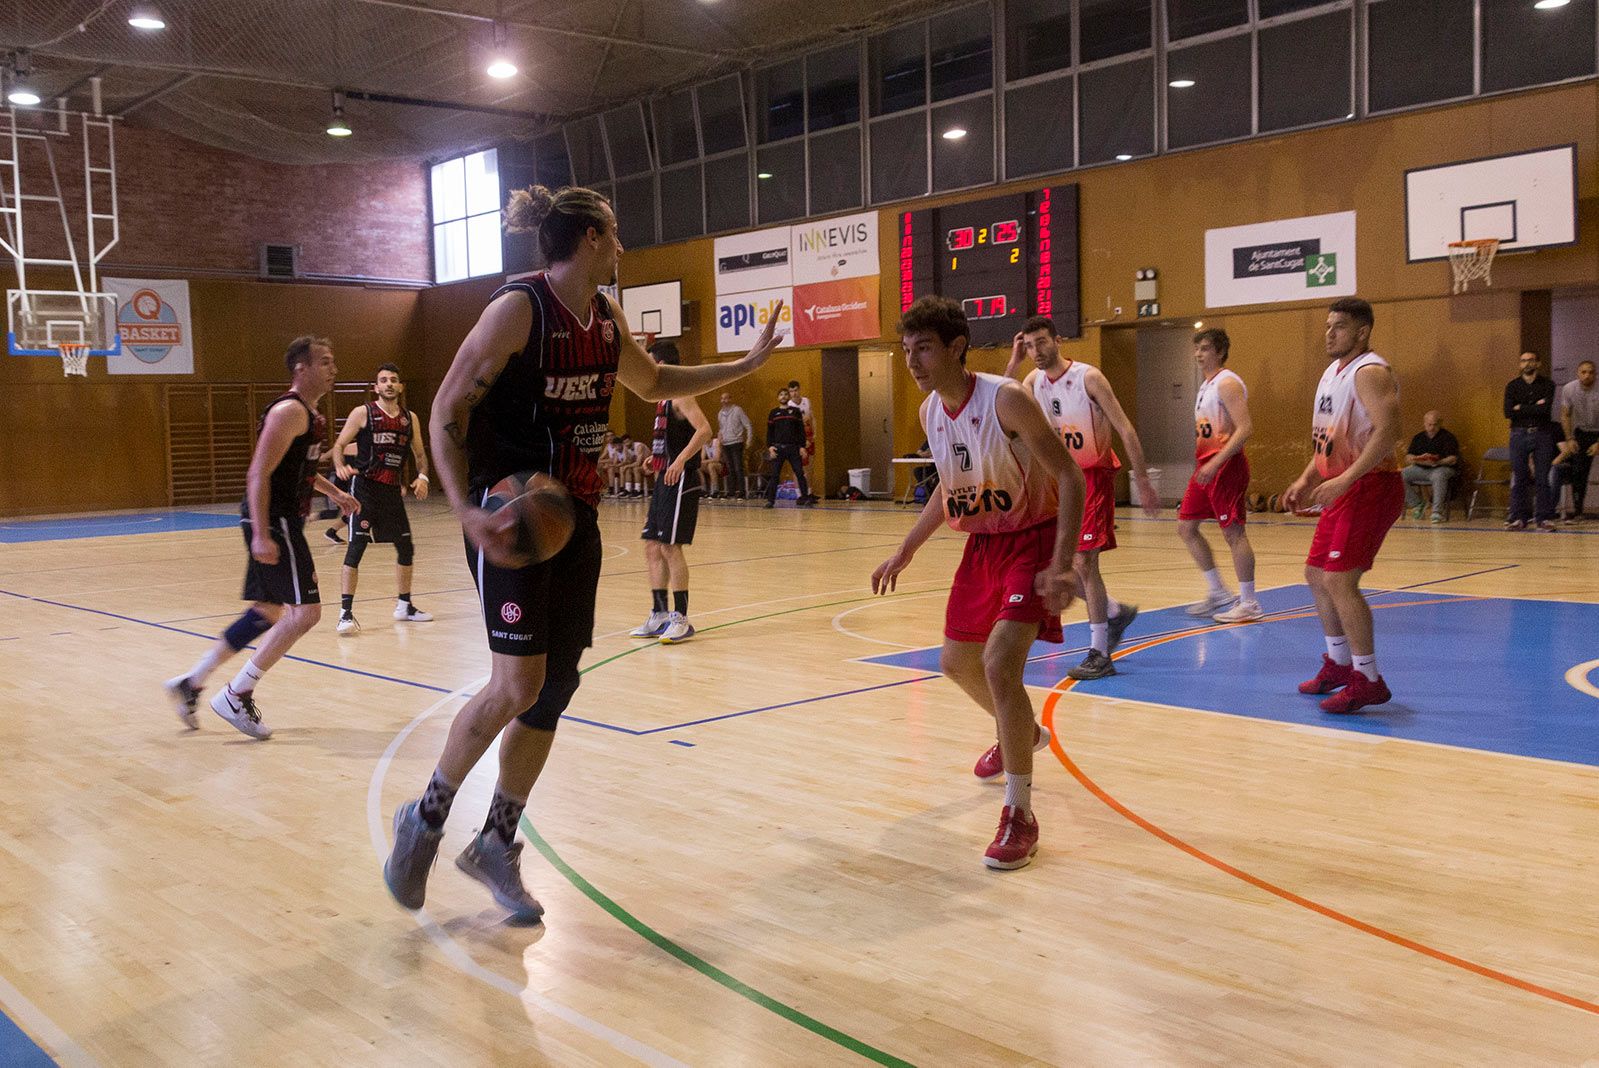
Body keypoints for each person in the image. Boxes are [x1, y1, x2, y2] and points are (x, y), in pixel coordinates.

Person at [382, 184, 786, 922]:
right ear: (591, 237)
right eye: (617, 232)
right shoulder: (516, 310)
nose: (624, 245)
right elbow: (444, 412)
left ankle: (495, 842)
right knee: (514, 685)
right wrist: (466, 510)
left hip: (577, 523)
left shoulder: (603, 318)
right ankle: (426, 818)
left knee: (554, 687)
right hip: (511, 521)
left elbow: (656, 382)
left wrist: (743, 367)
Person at [872, 296, 1083, 871]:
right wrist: (905, 549)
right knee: (955, 662)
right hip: (982, 545)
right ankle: (1020, 730)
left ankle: (1021, 813)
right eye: (906, 349)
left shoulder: (1006, 398)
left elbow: (1069, 475)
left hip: (1030, 540)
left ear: (956, 347)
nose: (912, 360)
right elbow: (948, 488)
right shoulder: (929, 413)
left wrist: (1063, 563)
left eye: (924, 348)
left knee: (998, 664)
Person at [165, 337, 359, 738]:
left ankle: (192, 682)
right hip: (274, 521)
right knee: (306, 613)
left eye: (333, 361)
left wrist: (336, 493)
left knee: (268, 611)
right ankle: (237, 693)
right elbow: (258, 473)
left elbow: (299, 472)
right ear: (301, 369)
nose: (333, 368)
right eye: (325, 362)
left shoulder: (309, 414)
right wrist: (260, 534)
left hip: (279, 520)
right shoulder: (289, 411)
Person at [1005, 316, 1157, 680]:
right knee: (1059, 567)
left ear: (1057, 340)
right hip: (1059, 480)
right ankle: (1115, 612)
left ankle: (1100, 653)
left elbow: (1125, 428)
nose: (1036, 351)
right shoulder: (1031, 381)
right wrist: (1013, 362)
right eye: (1029, 345)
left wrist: (1144, 482)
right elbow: (1003, 406)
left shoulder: (1089, 378)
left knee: (1084, 565)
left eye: (1041, 342)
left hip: (1092, 476)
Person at [1284, 297, 1403, 714]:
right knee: (1316, 574)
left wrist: (1346, 479)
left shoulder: (1369, 371)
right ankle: (1337, 663)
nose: (1329, 332)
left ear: (1362, 332)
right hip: (1346, 485)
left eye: (1339, 326)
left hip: (1372, 485)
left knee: (1339, 581)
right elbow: (1330, 440)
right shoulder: (1333, 373)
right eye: (1328, 325)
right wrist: (1307, 477)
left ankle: (1368, 678)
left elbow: (1389, 431)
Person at [328, 363, 433, 634]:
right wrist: (339, 465)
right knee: (356, 549)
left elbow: (420, 456)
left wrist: (423, 478)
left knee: (406, 548)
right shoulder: (363, 413)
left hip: (391, 493)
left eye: (393, 380)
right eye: (383, 380)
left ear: (400, 387)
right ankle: (345, 614)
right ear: (376, 387)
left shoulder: (410, 419)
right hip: (364, 491)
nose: (388, 384)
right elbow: (339, 446)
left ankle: (404, 606)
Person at [629, 340, 713, 644]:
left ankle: (681, 618)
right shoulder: (662, 400)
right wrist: (658, 458)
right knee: (652, 546)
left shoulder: (681, 394)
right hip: (664, 477)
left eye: (650, 363)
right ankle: (660, 613)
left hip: (682, 481)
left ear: (661, 365)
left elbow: (705, 430)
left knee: (669, 547)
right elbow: (673, 437)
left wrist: (679, 460)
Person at [1175, 328, 1261, 622]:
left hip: (1226, 466)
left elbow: (1245, 428)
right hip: (1206, 466)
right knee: (1186, 527)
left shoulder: (1227, 383)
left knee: (1234, 533)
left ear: (1221, 352)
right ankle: (1218, 592)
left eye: (1206, 348)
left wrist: (1216, 463)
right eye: (1197, 348)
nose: (1199, 354)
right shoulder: (1206, 386)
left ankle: (1249, 603)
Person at [1504, 350, 1557, 531]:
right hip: (1518, 434)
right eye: (1524, 360)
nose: (1527, 363)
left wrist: (1521, 407)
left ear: (1538, 363)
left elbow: (1545, 410)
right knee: (1520, 476)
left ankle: (1543, 518)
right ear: (1520, 364)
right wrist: (1535, 406)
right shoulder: (1512, 386)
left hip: (1542, 433)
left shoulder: (1548, 384)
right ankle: (1519, 517)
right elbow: (1508, 412)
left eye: (1531, 360)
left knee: (1543, 477)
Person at [1400, 410, 1460, 523]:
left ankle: (1436, 512)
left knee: (1439, 475)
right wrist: (1415, 459)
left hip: (1441, 468)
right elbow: (1408, 456)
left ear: (1440, 424)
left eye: (1435, 425)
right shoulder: (1418, 438)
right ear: (1424, 423)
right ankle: (1417, 504)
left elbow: (1453, 459)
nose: (1432, 428)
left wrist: (1438, 462)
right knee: (1400, 475)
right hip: (1421, 467)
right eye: (1429, 424)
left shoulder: (1448, 437)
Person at [1559, 359, 1598, 521]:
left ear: (1595, 375)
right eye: (1584, 372)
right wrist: (1569, 438)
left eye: (1591, 372)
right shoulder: (1569, 389)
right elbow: (1565, 415)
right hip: (1581, 432)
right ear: (1578, 373)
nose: (1587, 375)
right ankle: (1577, 510)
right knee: (1578, 472)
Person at [763, 387, 814, 508]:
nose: (783, 396)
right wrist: (770, 447)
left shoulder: (795, 412)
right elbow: (769, 432)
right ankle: (770, 501)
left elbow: (800, 431)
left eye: (786, 394)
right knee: (775, 475)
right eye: (781, 395)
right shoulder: (773, 413)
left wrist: (802, 447)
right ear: (778, 398)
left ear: (788, 397)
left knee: (800, 473)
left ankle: (805, 498)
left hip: (793, 448)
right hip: (778, 448)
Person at [322, 440, 361, 544]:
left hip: (348, 480)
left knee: (357, 508)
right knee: (335, 512)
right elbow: (337, 447)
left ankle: (333, 531)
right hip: (338, 480)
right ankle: (309, 518)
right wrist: (323, 457)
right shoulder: (360, 445)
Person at [717, 392, 752, 498]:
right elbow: (721, 428)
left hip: (736, 442)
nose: (724, 400)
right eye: (722, 398)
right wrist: (720, 436)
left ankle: (742, 491)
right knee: (729, 468)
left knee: (738, 468)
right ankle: (731, 491)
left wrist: (749, 439)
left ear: (730, 399)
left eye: (726, 398)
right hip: (725, 443)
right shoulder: (720, 413)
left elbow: (748, 424)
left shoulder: (737, 410)